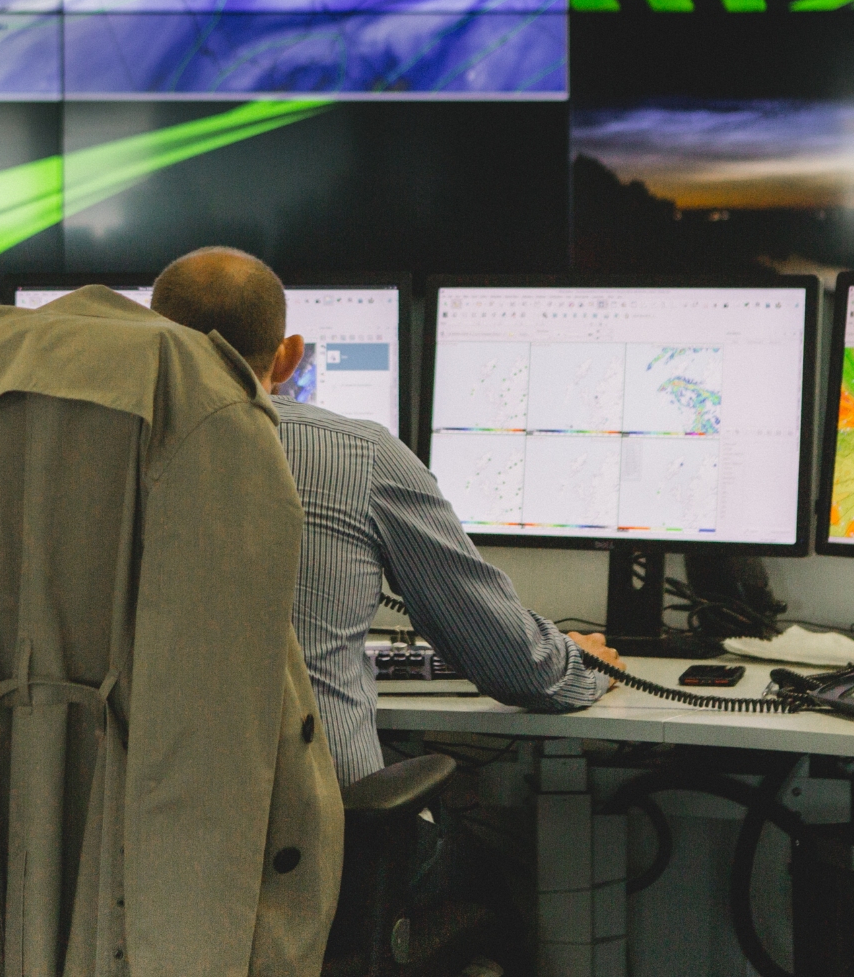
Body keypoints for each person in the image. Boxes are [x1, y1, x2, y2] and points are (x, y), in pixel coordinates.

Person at [149, 246, 625, 784]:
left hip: (136, 829)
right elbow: (512, 665)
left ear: (150, 345)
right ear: (288, 357)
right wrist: (581, 664)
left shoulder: (89, 456)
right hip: (315, 830)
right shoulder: (362, 453)